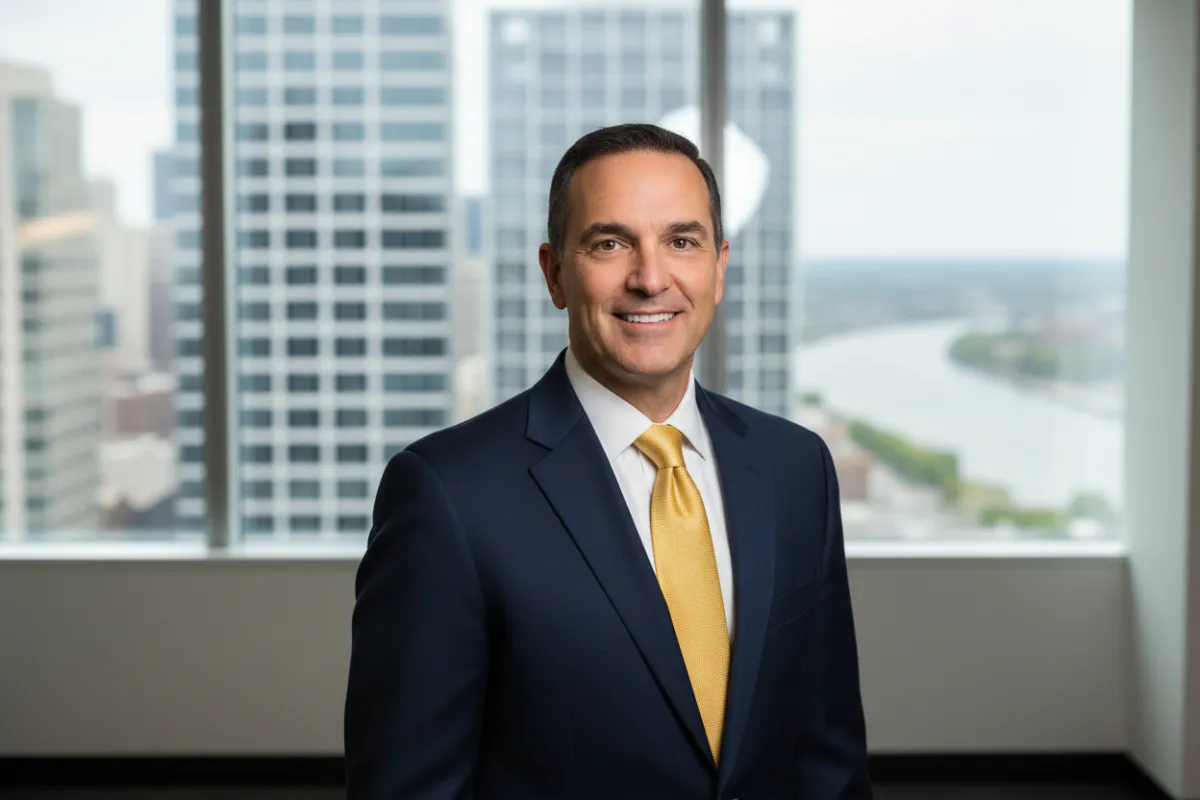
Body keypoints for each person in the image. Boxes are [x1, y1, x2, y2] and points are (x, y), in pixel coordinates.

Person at [345, 122, 873, 799]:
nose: (650, 279)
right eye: (610, 243)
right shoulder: (448, 496)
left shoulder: (795, 467)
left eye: (681, 242)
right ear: (555, 273)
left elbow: (828, 760)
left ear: (718, 268)